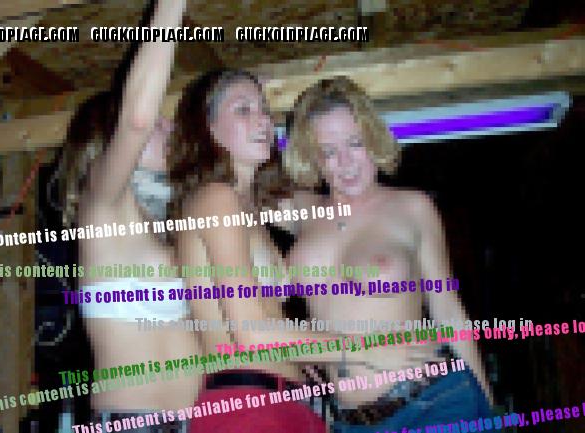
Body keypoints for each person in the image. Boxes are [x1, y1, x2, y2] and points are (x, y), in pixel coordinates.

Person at [284, 76, 493, 432]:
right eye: (329, 151)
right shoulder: (300, 210)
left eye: (355, 143)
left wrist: (487, 406)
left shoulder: (412, 207)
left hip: (433, 403)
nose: (345, 162)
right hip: (350, 423)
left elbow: (448, 310)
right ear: (312, 158)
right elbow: (232, 188)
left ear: (374, 139)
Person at [167, 69, 334, 433]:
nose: (263, 120)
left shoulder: (249, 208)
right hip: (247, 407)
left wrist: (302, 347)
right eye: (243, 109)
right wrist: (370, 348)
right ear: (207, 128)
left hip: (281, 402)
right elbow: (251, 334)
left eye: (264, 109)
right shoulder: (216, 198)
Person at [56, 1, 197, 431]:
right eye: (161, 122)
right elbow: (137, 118)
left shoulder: (163, 225)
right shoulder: (100, 205)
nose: (171, 129)